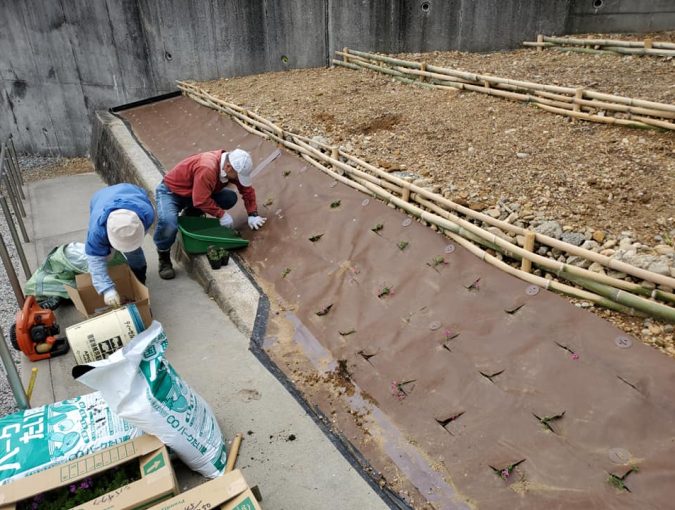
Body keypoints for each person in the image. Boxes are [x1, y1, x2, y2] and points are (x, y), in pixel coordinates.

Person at [153, 148, 266, 279]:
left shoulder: (230, 165)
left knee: (229, 198)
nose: (238, 179)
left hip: (196, 192)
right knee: (169, 223)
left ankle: (190, 215)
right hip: (171, 193)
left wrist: (253, 213)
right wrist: (221, 214)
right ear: (228, 167)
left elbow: (246, 190)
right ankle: (164, 257)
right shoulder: (207, 168)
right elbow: (200, 199)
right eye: (237, 176)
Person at [85, 183, 155, 307]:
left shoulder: (147, 214)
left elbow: (134, 238)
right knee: (103, 255)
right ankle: (121, 277)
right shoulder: (97, 231)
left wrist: (130, 244)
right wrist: (107, 289)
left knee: (134, 251)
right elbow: (95, 259)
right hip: (100, 198)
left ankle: (139, 278)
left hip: (131, 191)